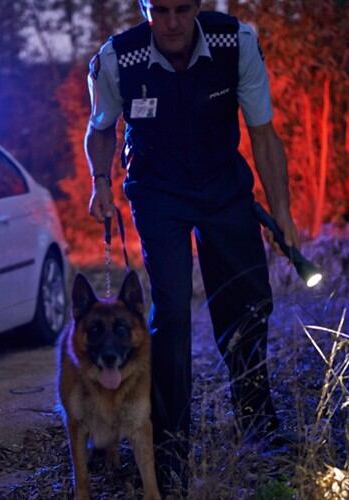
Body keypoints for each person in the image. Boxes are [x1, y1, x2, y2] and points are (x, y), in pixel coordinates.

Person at [84, 0, 299, 487]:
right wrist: (100, 182)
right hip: (158, 192)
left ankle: (258, 422)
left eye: (183, 9)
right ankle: (170, 444)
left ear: (198, 6)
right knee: (173, 315)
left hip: (223, 186)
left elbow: (262, 133)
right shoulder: (118, 58)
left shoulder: (235, 43)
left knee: (247, 304)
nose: (173, 22)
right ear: (145, 9)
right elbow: (100, 129)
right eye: (160, 11)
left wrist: (281, 213)